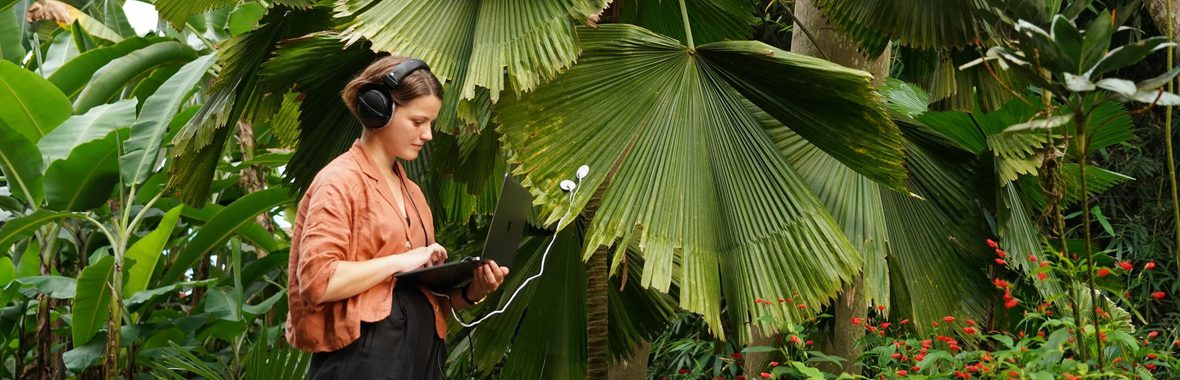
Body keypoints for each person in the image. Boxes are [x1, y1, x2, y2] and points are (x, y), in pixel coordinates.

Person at [285, 55, 509, 379]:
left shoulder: (415, 195)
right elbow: (319, 282)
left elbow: (426, 300)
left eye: (430, 123)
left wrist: (472, 290)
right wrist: (403, 260)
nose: (428, 134)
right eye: (418, 122)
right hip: (365, 360)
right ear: (378, 110)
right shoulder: (339, 181)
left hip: (423, 357)